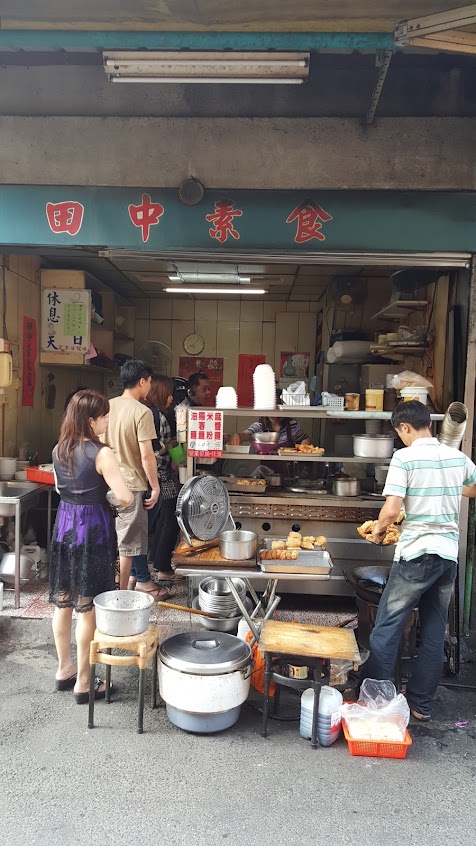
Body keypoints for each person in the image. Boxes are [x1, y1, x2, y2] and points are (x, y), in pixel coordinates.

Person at [362, 400, 476, 721]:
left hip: (416, 555)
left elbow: (391, 509)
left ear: (405, 427)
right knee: (434, 631)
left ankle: (375, 701)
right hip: (447, 557)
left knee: (387, 626)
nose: (401, 438)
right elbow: (473, 487)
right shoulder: (456, 457)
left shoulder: (405, 457)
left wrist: (379, 531)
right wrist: (449, 487)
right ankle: (421, 706)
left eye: (400, 432)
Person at [49, 390, 133, 704]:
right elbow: (124, 496)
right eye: (104, 416)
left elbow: (60, 489)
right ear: (90, 420)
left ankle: (64, 669)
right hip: (93, 534)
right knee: (88, 609)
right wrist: (108, 500)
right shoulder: (101, 453)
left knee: (63, 603)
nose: (107, 421)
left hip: (64, 530)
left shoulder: (59, 449)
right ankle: (84, 683)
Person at [105, 360, 160, 596]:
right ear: (141, 381)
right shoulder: (142, 412)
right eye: (149, 382)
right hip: (130, 486)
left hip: (106, 483)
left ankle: (116, 587)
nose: (150, 386)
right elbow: (147, 456)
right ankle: (121, 594)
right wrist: (155, 487)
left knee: (112, 540)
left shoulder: (107, 406)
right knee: (127, 546)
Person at [147, 375, 181, 582]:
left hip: (164, 473)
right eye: (168, 394)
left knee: (165, 519)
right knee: (170, 519)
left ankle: (157, 561)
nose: (171, 398)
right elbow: (154, 449)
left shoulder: (160, 414)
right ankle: (161, 567)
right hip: (161, 475)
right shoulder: (155, 416)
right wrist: (170, 446)